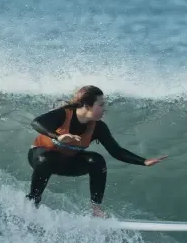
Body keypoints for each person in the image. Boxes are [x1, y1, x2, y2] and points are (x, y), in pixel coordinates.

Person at [25, 85, 168, 217]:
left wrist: (144, 161)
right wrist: (58, 137)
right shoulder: (64, 114)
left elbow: (116, 151)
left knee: (97, 161)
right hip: (40, 157)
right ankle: (33, 201)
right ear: (87, 106)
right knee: (46, 159)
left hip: (67, 162)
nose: (104, 109)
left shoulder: (98, 127)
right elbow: (36, 123)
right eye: (101, 105)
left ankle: (96, 209)